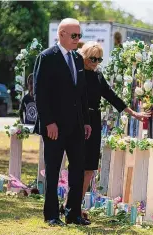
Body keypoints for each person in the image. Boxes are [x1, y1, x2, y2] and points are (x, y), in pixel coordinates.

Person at [76, 41, 151, 221]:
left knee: (90, 168)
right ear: (84, 56)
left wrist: (134, 113)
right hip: (77, 121)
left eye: (99, 59)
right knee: (77, 166)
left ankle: (75, 205)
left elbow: (113, 98)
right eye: (92, 58)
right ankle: (70, 206)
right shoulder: (76, 74)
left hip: (93, 122)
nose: (95, 62)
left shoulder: (99, 77)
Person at [33, 18, 92, 226]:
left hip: (76, 126)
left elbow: (81, 94)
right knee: (52, 171)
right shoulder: (47, 57)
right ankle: (51, 215)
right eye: (74, 35)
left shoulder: (77, 59)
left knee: (77, 170)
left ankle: (73, 213)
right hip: (54, 128)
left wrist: (85, 121)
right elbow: (40, 93)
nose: (78, 39)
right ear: (61, 35)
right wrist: (48, 122)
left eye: (79, 35)